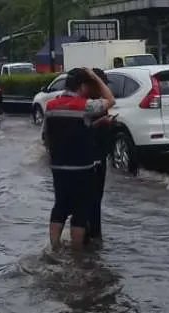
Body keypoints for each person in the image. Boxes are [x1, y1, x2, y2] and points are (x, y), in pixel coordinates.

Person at [43, 67, 115, 251]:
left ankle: (55, 248)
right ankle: (77, 255)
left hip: (58, 167)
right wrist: (94, 77)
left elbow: (49, 135)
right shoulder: (85, 106)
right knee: (81, 211)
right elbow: (110, 100)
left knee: (60, 206)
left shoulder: (50, 106)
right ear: (82, 86)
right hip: (82, 167)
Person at [86, 67, 115, 247]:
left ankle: (94, 235)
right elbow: (82, 129)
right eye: (101, 84)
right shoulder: (88, 104)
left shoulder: (98, 102)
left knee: (97, 198)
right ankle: (91, 236)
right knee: (92, 199)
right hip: (91, 156)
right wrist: (101, 122)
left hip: (100, 154)